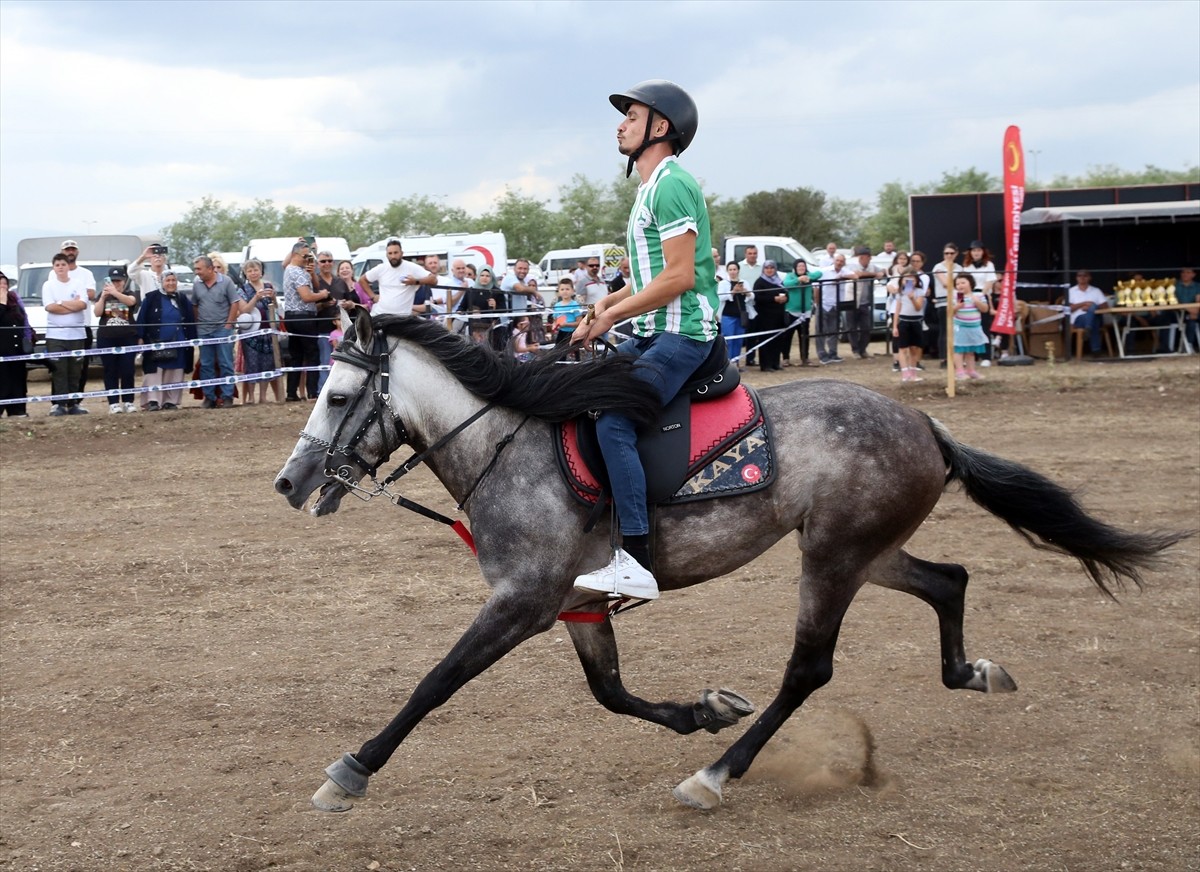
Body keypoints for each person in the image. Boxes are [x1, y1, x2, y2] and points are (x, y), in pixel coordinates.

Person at [571, 79, 717, 601]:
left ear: (661, 127)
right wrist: (608, 303)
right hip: (654, 328)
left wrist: (613, 318)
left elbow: (679, 279)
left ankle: (636, 558)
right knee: (580, 391)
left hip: (684, 335)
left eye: (631, 116)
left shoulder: (673, 184)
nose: (620, 124)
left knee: (614, 422)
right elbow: (650, 276)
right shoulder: (647, 190)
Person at [136, 270, 196, 411]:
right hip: (155, 341)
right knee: (154, 372)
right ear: (162, 282)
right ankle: (153, 401)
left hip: (178, 342)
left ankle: (170, 401)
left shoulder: (182, 299)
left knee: (174, 371)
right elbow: (141, 319)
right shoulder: (151, 298)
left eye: (173, 280)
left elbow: (190, 321)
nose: (171, 283)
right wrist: (140, 337)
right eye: (167, 280)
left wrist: (192, 341)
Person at [281, 242, 333, 402]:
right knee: (312, 354)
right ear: (295, 255)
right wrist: (323, 294)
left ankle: (291, 392)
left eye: (310, 256)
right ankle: (312, 392)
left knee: (295, 355)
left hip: (291, 316)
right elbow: (307, 296)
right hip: (304, 317)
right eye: (305, 256)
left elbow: (312, 287)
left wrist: (312, 274)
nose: (308, 259)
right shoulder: (297, 272)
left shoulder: (290, 270)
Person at [191, 254, 243, 408]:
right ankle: (209, 397)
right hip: (204, 330)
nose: (197, 272)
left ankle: (227, 396)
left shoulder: (226, 281)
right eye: (195, 269)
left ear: (210, 268)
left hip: (222, 330)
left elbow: (235, 302)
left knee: (226, 363)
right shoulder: (197, 284)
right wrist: (198, 323)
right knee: (206, 364)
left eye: (199, 269)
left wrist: (229, 324)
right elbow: (195, 304)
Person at [42, 253, 89, 416]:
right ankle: (60, 404)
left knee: (75, 370)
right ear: (53, 268)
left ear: (68, 266)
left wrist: (61, 302)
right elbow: (50, 307)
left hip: (77, 334)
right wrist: (71, 305)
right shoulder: (48, 285)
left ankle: (74, 403)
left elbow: (82, 304)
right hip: (55, 335)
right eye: (57, 265)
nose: (61, 267)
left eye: (63, 264)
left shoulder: (78, 283)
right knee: (59, 370)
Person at [93, 266, 141, 413]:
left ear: (124, 281)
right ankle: (113, 403)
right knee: (110, 370)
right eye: (113, 281)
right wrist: (103, 297)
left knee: (127, 370)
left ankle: (128, 401)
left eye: (119, 281)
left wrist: (116, 293)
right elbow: (97, 312)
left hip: (127, 337)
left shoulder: (130, 293)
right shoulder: (103, 295)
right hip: (107, 338)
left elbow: (131, 302)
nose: (116, 283)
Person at [236, 258, 281, 405]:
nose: (253, 273)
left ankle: (263, 396)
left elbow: (276, 307)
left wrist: (273, 297)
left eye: (255, 270)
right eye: (249, 270)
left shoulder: (268, 286)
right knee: (252, 363)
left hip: (268, 329)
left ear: (261, 271)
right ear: (245, 273)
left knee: (267, 363)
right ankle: (251, 397)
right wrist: (256, 297)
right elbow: (243, 310)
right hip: (251, 331)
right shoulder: (242, 289)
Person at [356, 239, 436, 316]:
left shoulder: (411, 267)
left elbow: (433, 280)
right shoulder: (381, 268)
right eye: (390, 253)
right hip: (380, 315)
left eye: (395, 253)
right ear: (386, 255)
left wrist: (415, 281)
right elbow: (362, 280)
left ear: (401, 253)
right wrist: (373, 296)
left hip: (402, 317)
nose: (393, 256)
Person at [60, 240, 96, 395]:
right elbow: (53, 299)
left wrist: (65, 300)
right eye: (67, 250)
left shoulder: (86, 273)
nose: (70, 252)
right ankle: (59, 401)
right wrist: (76, 300)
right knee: (60, 367)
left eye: (73, 249)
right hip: (60, 328)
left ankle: (77, 399)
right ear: (62, 252)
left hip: (83, 326)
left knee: (81, 366)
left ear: (77, 252)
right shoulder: (55, 272)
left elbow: (91, 294)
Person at [312, 250, 352, 391]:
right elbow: (309, 306)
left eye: (329, 260)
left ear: (333, 262)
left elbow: (350, 301)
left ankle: (342, 388)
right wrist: (323, 304)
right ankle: (322, 390)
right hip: (322, 328)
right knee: (324, 361)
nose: (326, 264)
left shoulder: (340, 281)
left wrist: (346, 304)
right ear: (318, 264)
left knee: (343, 361)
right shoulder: (314, 282)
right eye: (323, 261)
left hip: (341, 329)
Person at [0, 271, 31, 417]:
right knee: (3, 382)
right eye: (0, 284)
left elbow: (24, 320)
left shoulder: (15, 299)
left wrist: (28, 338)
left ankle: (18, 410)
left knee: (18, 381)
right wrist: (1, 302)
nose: (3, 287)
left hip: (17, 349)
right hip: (1, 352)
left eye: (5, 284)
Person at [951, 273, 990, 379]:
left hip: (974, 327)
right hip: (960, 327)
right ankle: (959, 371)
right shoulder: (955, 297)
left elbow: (985, 309)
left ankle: (971, 370)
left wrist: (977, 302)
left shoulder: (979, 295)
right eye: (957, 283)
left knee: (970, 351)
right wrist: (957, 307)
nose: (960, 285)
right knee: (959, 349)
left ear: (970, 283)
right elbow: (949, 312)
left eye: (963, 282)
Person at [752, 260, 789, 372]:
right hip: (765, 317)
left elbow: (786, 293)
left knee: (777, 340)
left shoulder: (779, 281)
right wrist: (773, 299)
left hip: (778, 316)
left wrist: (785, 298)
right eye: (767, 268)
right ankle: (766, 365)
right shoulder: (759, 282)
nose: (769, 270)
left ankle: (775, 363)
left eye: (772, 268)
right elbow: (757, 298)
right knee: (766, 340)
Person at [782, 258, 820, 366]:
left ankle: (805, 358)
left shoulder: (809, 275)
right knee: (788, 336)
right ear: (795, 268)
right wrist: (799, 280)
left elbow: (819, 273)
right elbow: (786, 283)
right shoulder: (790, 276)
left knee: (804, 335)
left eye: (803, 266)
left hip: (805, 311)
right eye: (799, 266)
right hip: (792, 311)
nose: (801, 268)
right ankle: (786, 358)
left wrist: (808, 277)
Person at [848, 245, 884, 359]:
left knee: (866, 327)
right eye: (861, 256)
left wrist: (881, 273)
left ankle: (862, 349)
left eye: (864, 256)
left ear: (868, 257)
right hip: (852, 300)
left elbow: (883, 271)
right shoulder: (852, 265)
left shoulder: (872, 266)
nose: (862, 259)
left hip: (865, 302)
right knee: (851, 327)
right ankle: (855, 350)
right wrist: (874, 275)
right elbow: (858, 274)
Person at [892, 268, 926, 382]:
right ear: (902, 280)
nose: (909, 283)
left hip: (916, 321)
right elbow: (897, 310)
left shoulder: (920, 292)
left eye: (912, 280)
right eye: (906, 280)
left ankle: (913, 373)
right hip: (904, 321)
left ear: (916, 281)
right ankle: (905, 373)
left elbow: (918, 307)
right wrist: (895, 326)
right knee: (902, 348)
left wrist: (912, 298)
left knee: (914, 348)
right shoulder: (900, 293)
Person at [816, 252, 851, 364]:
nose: (839, 263)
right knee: (821, 331)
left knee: (834, 331)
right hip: (824, 304)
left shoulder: (844, 271)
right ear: (834, 261)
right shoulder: (825, 271)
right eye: (837, 260)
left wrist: (841, 277)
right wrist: (817, 304)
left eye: (841, 261)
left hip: (835, 305)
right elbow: (816, 287)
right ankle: (822, 355)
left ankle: (833, 353)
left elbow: (855, 276)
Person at [717, 261, 753, 370]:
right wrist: (733, 292)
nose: (733, 272)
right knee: (729, 340)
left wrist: (745, 292)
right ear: (728, 271)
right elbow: (720, 297)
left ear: (738, 270)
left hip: (741, 315)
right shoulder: (723, 283)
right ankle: (727, 364)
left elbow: (752, 296)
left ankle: (736, 363)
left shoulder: (744, 282)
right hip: (728, 315)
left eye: (735, 269)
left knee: (739, 340)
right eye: (730, 269)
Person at [1066, 270, 1109, 356]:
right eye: (1079, 276)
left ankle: (1088, 328)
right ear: (1076, 278)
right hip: (1078, 320)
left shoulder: (1096, 291)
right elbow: (1068, 309)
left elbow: (1105, 307)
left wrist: (1091, 308)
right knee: (1094, 320)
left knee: (1093, 309)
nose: (1082, 277)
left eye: (1085, 275)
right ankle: (1096, 350)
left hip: (1096, 317)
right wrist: (1084, 303)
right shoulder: (1070, 291)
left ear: (1089, 278)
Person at [461, 266, 504, 345]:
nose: (485, 278)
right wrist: (459, 312)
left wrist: (495, 307)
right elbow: (462, 306)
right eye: (482, 275)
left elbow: (504, 310)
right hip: (474, 326)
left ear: (491, 277)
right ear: (478, 276)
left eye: (488, 276)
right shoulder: (471, 291)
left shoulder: (497, 291)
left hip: (492, 327)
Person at [552, 278, 584, 356]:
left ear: (572, 291)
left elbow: (579, 322)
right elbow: (555, 320)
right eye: (562, 289)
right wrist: (554, 326)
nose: (565, 291)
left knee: (575, 354)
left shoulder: (575, 305)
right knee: (559, 354)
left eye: (567, 289)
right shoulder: (557, 305)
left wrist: (566, 324)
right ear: (558, 291)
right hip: (561, 333)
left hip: (573, 333)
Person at [1175, 267, 1199, 352]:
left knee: (1193, 318)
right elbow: (1175, 302)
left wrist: (1195, 311)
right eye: (1183, 272)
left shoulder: (1197, 286)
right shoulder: (1175, 285)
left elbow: (1198, 300)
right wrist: (1190, 310)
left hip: (1196, 311)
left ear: (1193, 274)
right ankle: (1188, 345)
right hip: (1179, 312)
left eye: (1188, 272)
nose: (1185, 274)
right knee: (1191, 322)